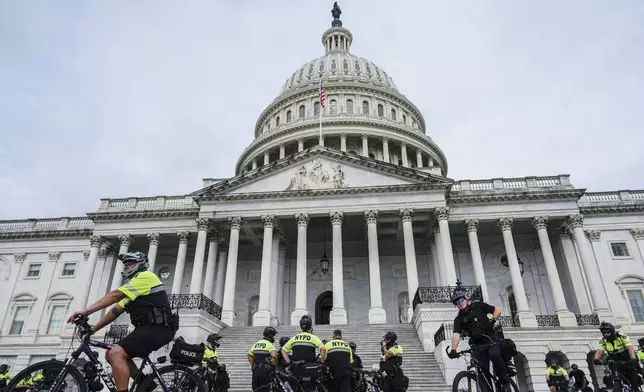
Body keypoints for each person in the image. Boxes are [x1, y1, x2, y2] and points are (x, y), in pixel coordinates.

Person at [67, 251, 176, 392]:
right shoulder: (134, 288)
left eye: (130, 263)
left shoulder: (146, 276)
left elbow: (115, 295)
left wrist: (86, 311)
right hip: (149, 328)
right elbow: (115, 311)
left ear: (140, 264)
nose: (125, 266)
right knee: (110, 353)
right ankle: (145, 383)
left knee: (116, 353)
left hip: (158, 328)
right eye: (125, 264)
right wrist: (93, 330)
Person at [447, 290, 506, 392]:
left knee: (494, 354)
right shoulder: (459, 319)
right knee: (482, 372)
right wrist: (453, 349)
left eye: (461, 300)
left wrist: (492, 320)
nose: (460, 303)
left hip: (490, 338)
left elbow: (497, 311)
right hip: (477, 344)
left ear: (466, 299)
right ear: (456, 305)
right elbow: (456, 334)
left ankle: (503, 379)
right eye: (457, 302)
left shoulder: (478, 306)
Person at [593, 321, 639, 389]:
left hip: (626, 357)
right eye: (604, 333)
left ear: (612, 331)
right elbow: (599, 351)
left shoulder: (621, 336)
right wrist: (596, 359)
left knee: (630, 372)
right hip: (614, 359)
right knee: (614, 373)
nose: (606, 334)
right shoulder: (602, 340)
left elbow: (630, 348)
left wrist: (633, 358)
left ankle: (636, 389)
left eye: (608, 332)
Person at [247, 326, 278, 391]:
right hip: (265, 372)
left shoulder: (256, 344)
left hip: (256, 371)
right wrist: (275, 365)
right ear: (271, 336)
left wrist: (253, 364)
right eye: (273, 335)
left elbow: (249, 355)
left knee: (256, 388)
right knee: (265, 389)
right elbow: (274, 357)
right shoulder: (269, 345)